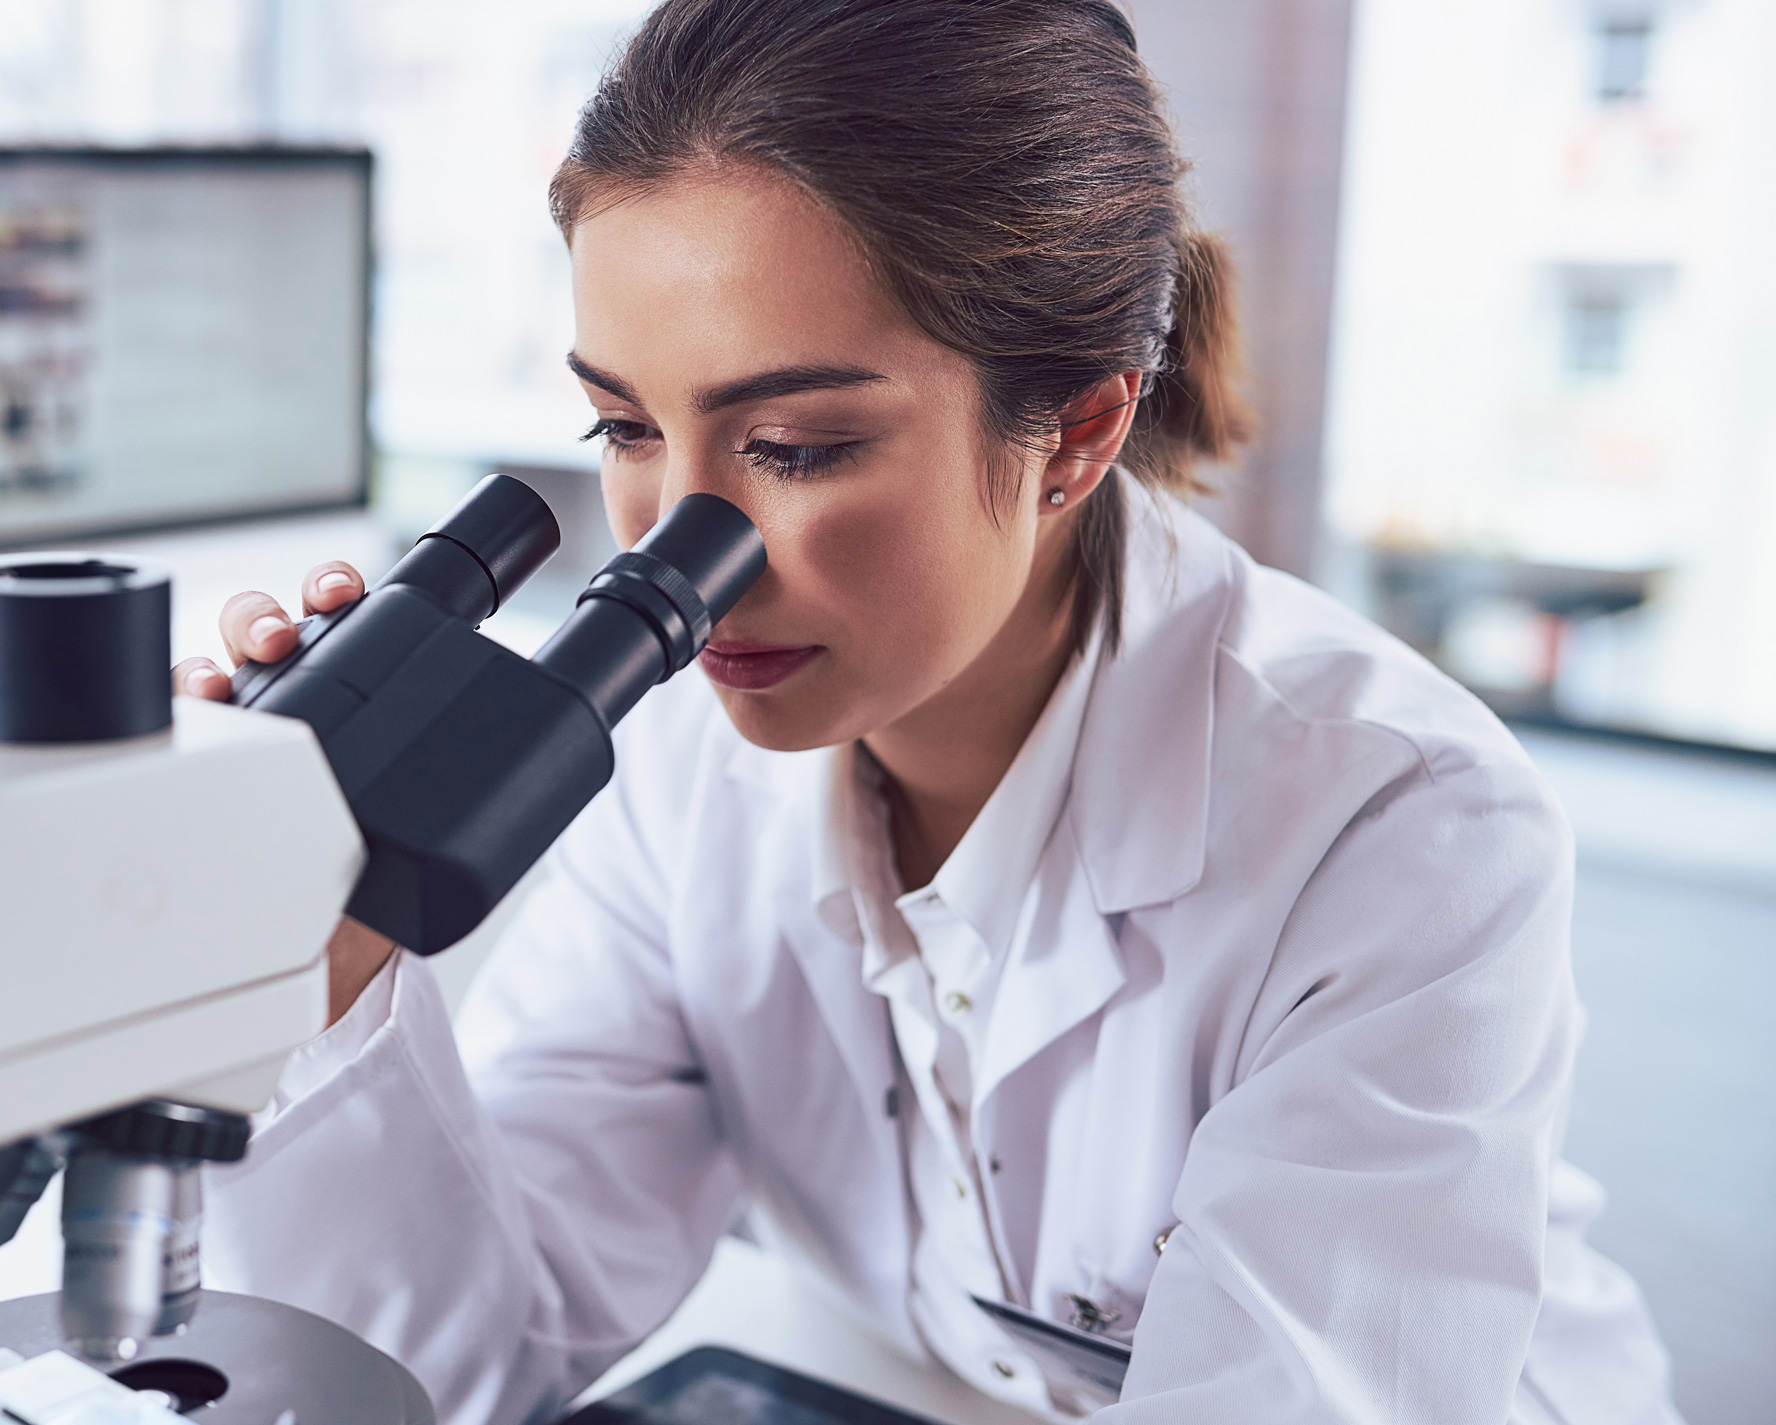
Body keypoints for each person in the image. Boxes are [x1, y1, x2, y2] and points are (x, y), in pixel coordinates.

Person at [172, 2, 1681, 1421]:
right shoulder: (680, 774)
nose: (675, 554)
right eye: (624, 427)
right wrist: (322, 967)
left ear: (1079, 429)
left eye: (800, 444)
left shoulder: (1396, 825)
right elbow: (478, 1360)